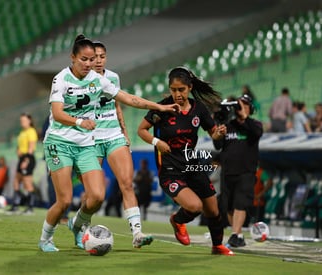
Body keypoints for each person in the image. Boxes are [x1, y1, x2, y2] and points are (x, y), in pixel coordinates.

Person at [38, 34, 179, 252]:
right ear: (73, 57)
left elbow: (128, 98)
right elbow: (57, 114)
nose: (89, 63)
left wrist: (159, 107)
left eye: (92, 59)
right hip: (60, 141)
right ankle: (46, 239)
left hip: (86, 144)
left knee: (97, 197)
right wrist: (79, 121)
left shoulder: (100, 79)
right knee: (64, 200)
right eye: (84, 59)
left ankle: (78, 226)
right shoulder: (61, 79)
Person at [137, 67, 234, 255]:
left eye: (181, 89)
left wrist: (218, 134)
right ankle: (178, 221)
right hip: (170, 170)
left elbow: (214, 135)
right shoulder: (162, 108)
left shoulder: (199, 109)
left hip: (192, 166)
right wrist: (157, 142)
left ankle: (217, 246)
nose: (177, 94)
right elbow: (141, 130)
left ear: (189, 88)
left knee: (213, 210)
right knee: (194, 206)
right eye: (173, 90)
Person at [86, 40, 153, 246]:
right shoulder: (81, 79)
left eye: (102, 56)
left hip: (114, 135)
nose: (98, 60)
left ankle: (137, 234)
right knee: (94, 193)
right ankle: (82, 226)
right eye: (94, 56)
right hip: (91, 139)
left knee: (127, 183)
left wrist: (124, 131)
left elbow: (117, 104)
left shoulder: (113, 77)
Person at [214, 94, 263, 247]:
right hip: (227, 172)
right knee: (228, 206)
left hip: (246, 172)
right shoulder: (228, 125)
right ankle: (238, 236)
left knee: (240, 204)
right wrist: (218, 135)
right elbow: (218, 146)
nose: (241, 108)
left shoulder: (254, 125)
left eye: (245, 105)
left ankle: (235, 234)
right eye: (239, 105)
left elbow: (257, 133)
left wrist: (245, 117)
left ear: (251, 108)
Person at [7, 113, 38, 215]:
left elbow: (31, 148)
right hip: (21, 158)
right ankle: (15, 205)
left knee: (27, 183)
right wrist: (18, 151)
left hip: (28, 159)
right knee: (16, 181)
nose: (22, 122)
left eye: (24, 120)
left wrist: (26, 161)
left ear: (29, 121)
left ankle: (30, 207)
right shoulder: (22, 132)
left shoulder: (31, 131)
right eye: (21, 121)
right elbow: (20, 145)